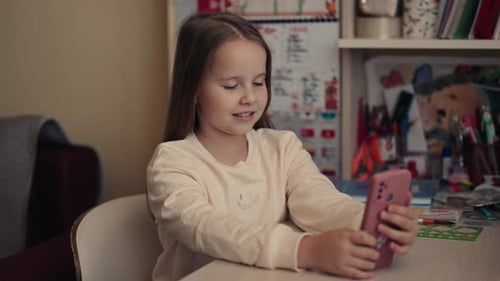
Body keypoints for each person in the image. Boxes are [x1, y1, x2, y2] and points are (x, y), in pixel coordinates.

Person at [147, 12, 418, 281]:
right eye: (231, 86)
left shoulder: (282, 147)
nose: (250, 97)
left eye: (259, 82)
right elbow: (208, 229)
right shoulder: (171, 164)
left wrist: (371, 222)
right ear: (193, 90)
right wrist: (306, 250)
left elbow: (319, 201)